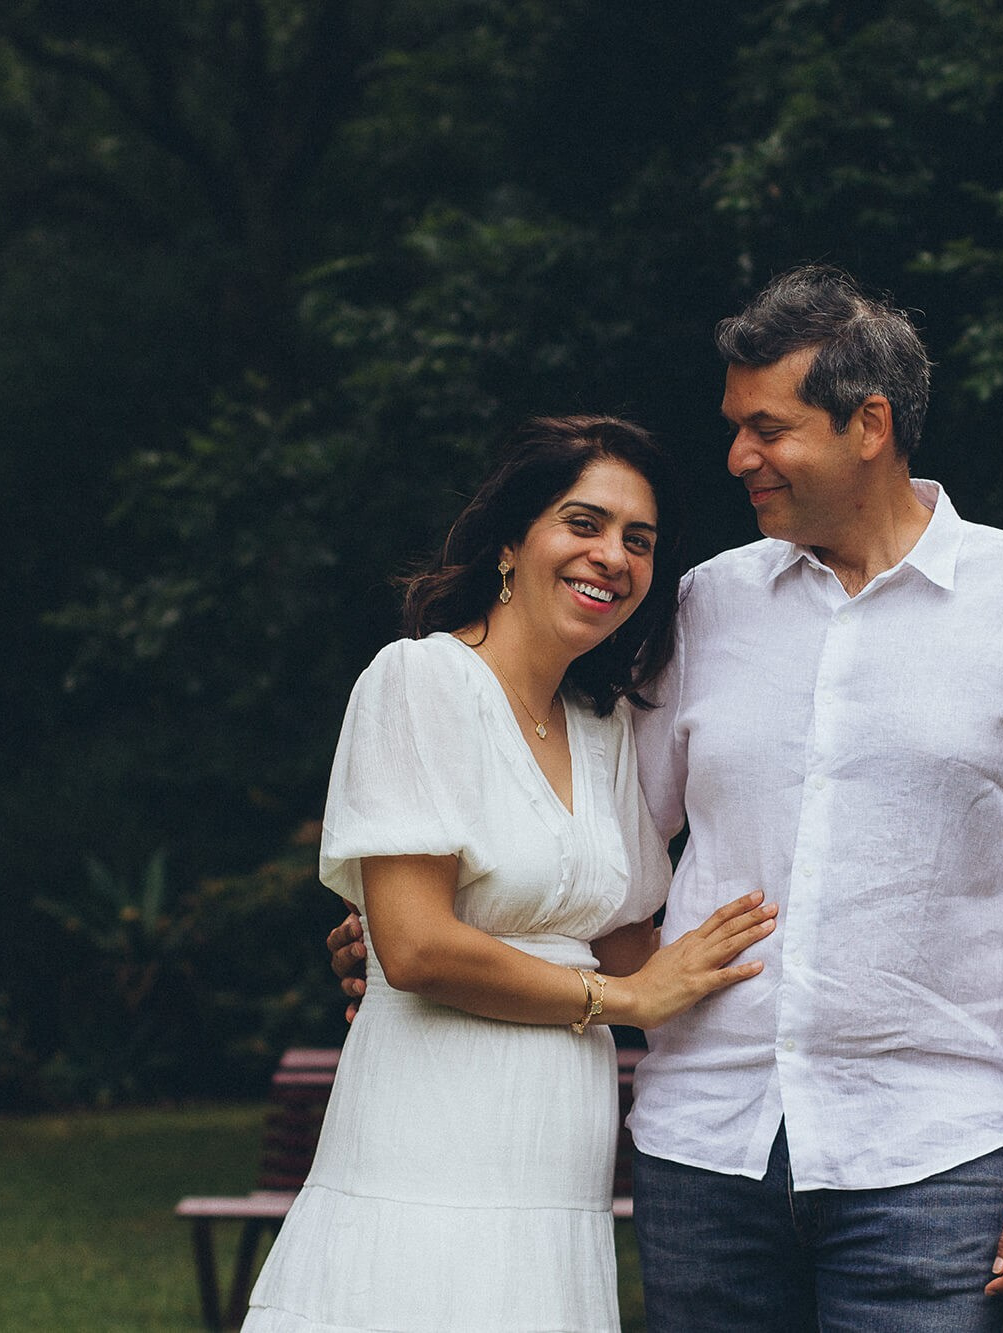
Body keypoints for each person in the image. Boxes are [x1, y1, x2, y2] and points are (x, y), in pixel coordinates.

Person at [332, 266, 1003, 1331]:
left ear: (869, 425)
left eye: (766, 428)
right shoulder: (708, 604)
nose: (735, 458)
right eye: (732, 426)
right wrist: (422, 929)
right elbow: (604, 853)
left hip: (931, 1151)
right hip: (702, 1145)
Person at [246, 415, 777, 1333]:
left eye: (638, 541)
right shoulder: (420, 681)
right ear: (510, 542)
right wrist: (623, 1002)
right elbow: (412, 946)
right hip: (430, 1133)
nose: (612, 555)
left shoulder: (602, 727)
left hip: (552, 1166)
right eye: (585, 523)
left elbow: (627, 937)